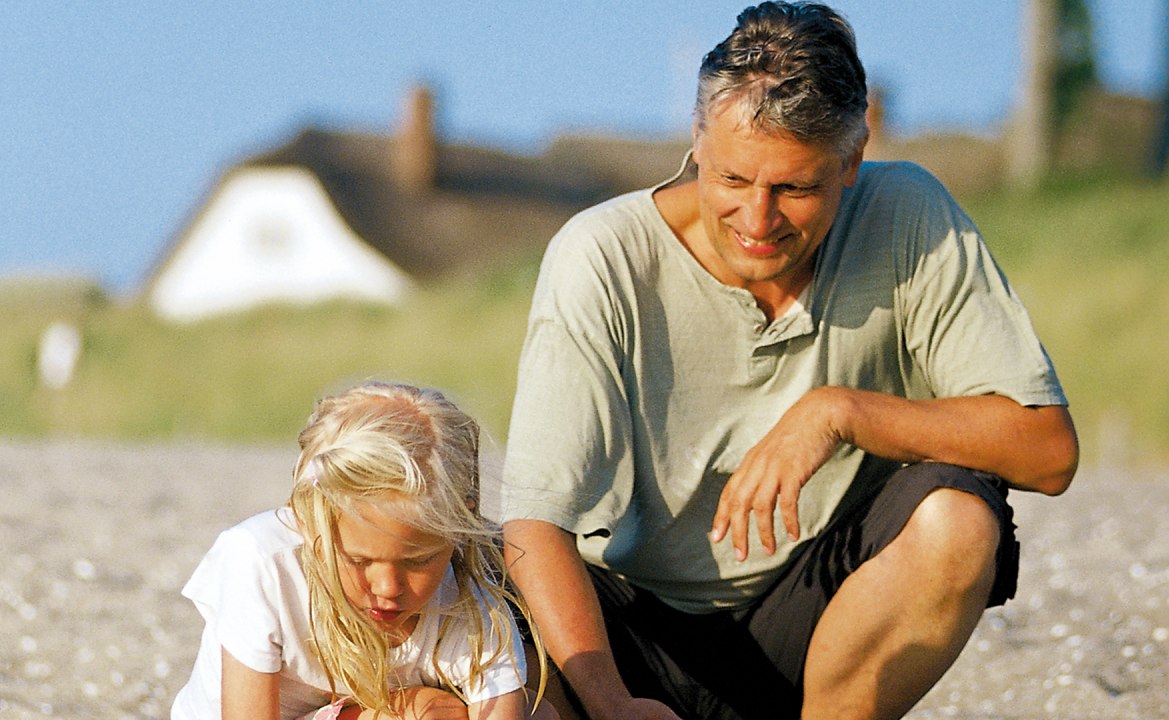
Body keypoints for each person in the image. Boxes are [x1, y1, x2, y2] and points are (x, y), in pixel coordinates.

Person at [499, 3, 1079, 720]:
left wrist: (843, 412)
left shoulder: (907, 215)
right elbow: (533, 525)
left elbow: (1047, 451)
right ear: (696, 139)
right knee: (472, 608)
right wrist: (612, 705)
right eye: (735, 181)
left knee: (958, 517)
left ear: (852, 163)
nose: (759, 220)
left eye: (796, 188)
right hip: (630, 636)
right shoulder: (602, 256)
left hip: (811, 632)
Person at [172, 381, 554, 720]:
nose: (387, 587)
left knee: (540, 714)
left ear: (457, 530)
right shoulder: (262, 561)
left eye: (418, 560)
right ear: (308, 519)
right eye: (359, 560)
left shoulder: (467, 602)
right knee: (423, 713)